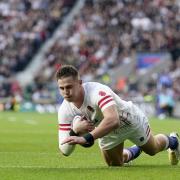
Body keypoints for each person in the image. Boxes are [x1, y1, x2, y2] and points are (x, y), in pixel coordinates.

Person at [56, 65, 180, 166]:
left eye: (69, 87)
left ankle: (174, 141)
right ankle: (136, 149)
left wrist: (86, 138)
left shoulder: (97, 91)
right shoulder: (65, 110)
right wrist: (74, 130)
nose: (65, 92)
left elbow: (113, 120)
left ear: (79, 83)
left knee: (153, 149)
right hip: (106, 130)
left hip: (128, 120)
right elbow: (65, 150)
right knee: (115, 164)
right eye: (61, 88)